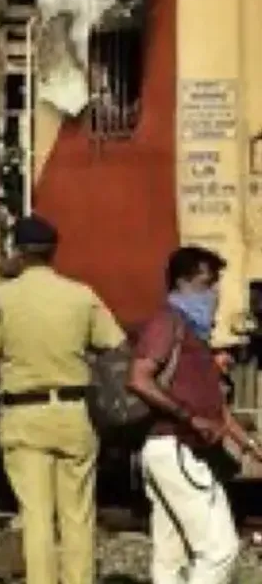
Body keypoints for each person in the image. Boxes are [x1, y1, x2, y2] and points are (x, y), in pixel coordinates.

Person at [0, 214, 127, 584]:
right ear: (53, 252)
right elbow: (116, 346)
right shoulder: (82, 295)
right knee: (78, 516)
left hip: (24, 417)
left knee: (36, 517)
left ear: (18, 252)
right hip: (74, 415)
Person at [127, 246, 261, 584]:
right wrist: (188, 418)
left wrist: (248, 445)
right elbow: (139, 378)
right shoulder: (167, 323)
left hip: (173, 450)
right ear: (182, 283)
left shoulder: (194, 336)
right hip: (175, 448)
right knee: (220, 549)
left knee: (169, 558)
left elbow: (216, 410)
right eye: (207, 284)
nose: (214, 294)